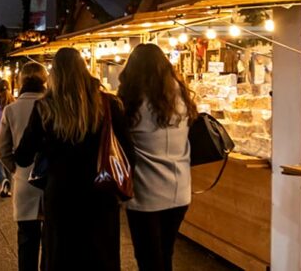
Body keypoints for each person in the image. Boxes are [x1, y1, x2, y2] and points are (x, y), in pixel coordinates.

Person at [15, 47, 135, 270]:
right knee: (101, 255)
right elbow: (128, 151)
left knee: (62, 255)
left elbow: (22, 157)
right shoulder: (109, 104)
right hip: (101, 191)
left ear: (55, 75)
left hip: (61, 194)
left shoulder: (44, 108)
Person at [118, 43, 196, 271]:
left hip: (146, 193)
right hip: (180, 191)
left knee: (148, 258)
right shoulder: (181, 98)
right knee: (166, 253)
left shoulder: (132, 103)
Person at [0, 62, 49, 271]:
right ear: (44, 79)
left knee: (27, 240)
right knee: (50, 243)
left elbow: (2, 150)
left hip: (24, 179)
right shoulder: (54, 105)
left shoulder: (11, 109)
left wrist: (16, 169)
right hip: (52, 181)